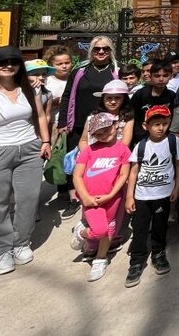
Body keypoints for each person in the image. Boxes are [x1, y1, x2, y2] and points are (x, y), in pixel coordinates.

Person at [0, 46, 51, 276]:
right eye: (2, 62)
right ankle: (1, 249)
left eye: (14, 61)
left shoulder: (29, 90)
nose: (8, 66)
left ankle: (21, 242)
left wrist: (45, 141)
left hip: (29, 149)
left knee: (27, 200)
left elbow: (41, 116)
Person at [56, 36, 118, 218]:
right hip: (78, 123)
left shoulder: (116, 71)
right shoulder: (80, 71)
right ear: (91, 51)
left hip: (106, 125)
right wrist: (62, 122)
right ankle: (75, 198)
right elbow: (67, 96)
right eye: (97, 49)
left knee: (101, 162)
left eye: (105, 49)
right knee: (77, 162)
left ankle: (100, 193)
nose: (101, 52)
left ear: (110, 51)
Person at [124, 105, 179, 287]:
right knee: (140, 227)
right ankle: (136, 261)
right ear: (145, 125)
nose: (160, 128)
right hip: (142, 195)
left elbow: (178, 165)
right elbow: (133, 172)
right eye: (155, 124)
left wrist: (177, 187)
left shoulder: (173, 142)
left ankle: (158, 253)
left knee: (160, 225)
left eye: (164, 123)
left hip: (163, 193)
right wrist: (129, 196)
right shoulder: (141, 146)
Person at [71, 113, 130, 281]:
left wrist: (112, 194)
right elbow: (77, 176)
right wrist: (85, 197)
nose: (103, 135)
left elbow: (123, 174)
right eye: (98, 133)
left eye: (106, 130)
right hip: (91, 199)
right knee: (100, 230)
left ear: (115, 125)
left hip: (113, 198)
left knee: (109, 230)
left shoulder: (123, 149)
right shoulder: (88, 151)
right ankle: (81, 233)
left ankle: (101, 258)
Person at [129, 60, 175, 143]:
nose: (161, 79)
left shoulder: (172, 96)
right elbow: (131, 116)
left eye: (165, 75)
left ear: (171, 76)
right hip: (141, 138)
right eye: (157, 76)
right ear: (151, 76)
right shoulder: (140, 94)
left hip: (164, 138)